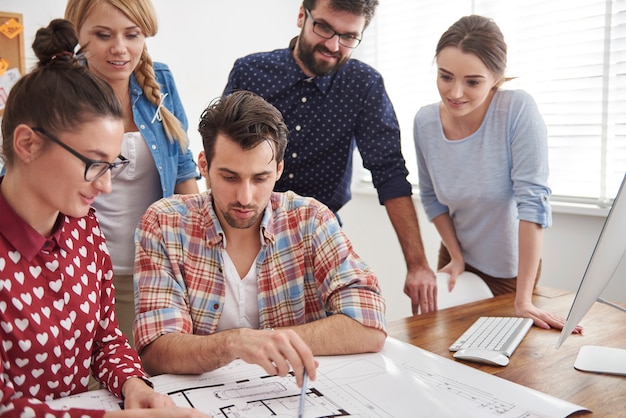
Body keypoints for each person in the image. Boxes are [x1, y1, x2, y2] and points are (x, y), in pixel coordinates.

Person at [0, 19, 208, 417]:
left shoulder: (83, 227)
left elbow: (106, 339)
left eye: (113, 165)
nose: (107, 186)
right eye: (94, 164)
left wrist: (134, 384)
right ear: (27, 143)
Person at [133, 90, 387, 385]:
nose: (245, 197)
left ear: (279, 169)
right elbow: (155, 350)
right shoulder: (164, 222)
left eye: (260, 178)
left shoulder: (311, 219)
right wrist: (235, 343)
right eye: (229, 177)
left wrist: (267, 340)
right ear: (203, 165)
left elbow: (369, 323)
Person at [223, 0, 437, 315]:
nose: (333, 45)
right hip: (244, 231)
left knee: (337, 334)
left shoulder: (364, 85)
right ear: (301, 16)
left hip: (319, 238)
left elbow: (389, 173)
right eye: (324, 27)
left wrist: (418, 265)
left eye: (349, 36)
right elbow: (223, 156)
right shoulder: (251, 72)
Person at [413, 15, 581, 332]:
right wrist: (457, 256)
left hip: (512, 273)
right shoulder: (424, 122)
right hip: (456, 260)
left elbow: (533, 203)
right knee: (446, 359)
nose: (455, 93)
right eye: (445, 76)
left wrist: (524, 300)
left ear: (497, 78)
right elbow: (432, 197)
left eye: (472, 82)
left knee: (506, 364)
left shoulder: (516, 111)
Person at [64, 0, 200, 347]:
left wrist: (203, 250)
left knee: (155, 376)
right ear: (78, 33)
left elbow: (183, 168)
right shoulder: (58, 92)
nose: (120, 49)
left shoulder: (162, 81)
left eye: (132, 35)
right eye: (103, 35)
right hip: (81, 275)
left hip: (156, 269)